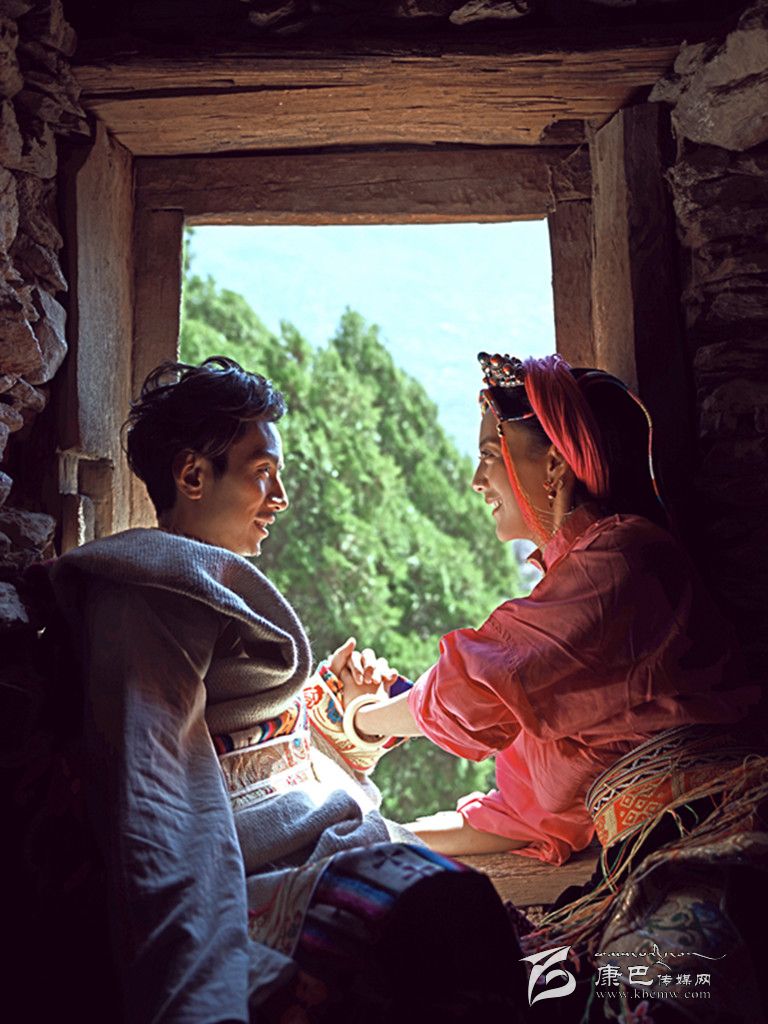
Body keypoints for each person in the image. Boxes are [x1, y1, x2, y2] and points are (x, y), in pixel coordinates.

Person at [45, 357, 519, 1024]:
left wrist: (344, 727)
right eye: (263, 472)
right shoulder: (149, 598)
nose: (281, 498)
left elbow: (256, 753)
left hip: (334, 843)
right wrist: (198, 1000)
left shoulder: (210, 591)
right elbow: (158, 795)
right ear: (192, 476)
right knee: (445, 913)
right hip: (270, 879)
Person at [332, 351, 768, 1021]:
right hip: (652, 862)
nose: (477, 479)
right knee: (497, 992)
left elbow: (476, 683)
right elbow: (524, 818)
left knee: (649, 998)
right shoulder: (577, 621)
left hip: (717, 844)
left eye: (490, 455)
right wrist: (377, 837)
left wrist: (361, 720)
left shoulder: (622, 560)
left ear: (556, 466)